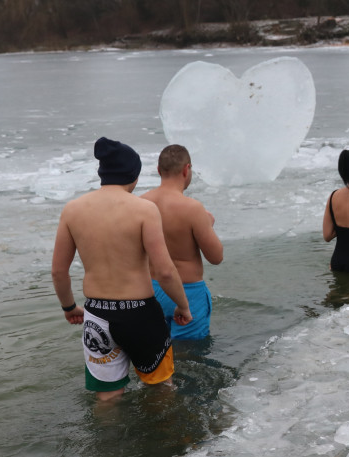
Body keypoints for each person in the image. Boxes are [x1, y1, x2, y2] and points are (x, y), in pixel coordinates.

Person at [51, 137, 191, 400]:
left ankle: (106, 441)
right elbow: (165, 271)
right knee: (161, 390)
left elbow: (59, 271)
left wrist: (69, 308)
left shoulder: (72, 210)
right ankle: (166, 440)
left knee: (107, 397)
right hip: (140, 314)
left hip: (97, 315)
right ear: (133, 175)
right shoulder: (144, 210)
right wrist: (182, 306)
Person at [140, 144, 224, 340]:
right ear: (187, 170)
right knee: (189, 356)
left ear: (159, 170)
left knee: (157, 353)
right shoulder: (192, 209)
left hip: (151, 291)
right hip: (187, 292)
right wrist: (208, 225)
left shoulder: (141, 203)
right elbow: (216, 257)